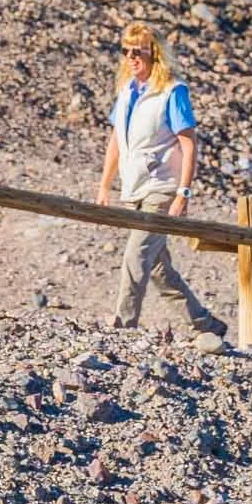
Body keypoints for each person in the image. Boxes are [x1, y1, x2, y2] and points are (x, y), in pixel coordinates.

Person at [95, 22, 225, 338]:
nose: (130, 58)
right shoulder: (126, 92)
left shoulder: (172, 92)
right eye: (126, 52)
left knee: (136, 254)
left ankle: (123, 325)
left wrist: (183, 192)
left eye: (137, 52)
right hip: (134, 186)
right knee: (157, 267)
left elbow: (189, 142)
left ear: (154, 54)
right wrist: (104, 184)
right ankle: (205, 324)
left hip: (161, 187)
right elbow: (116, 140)